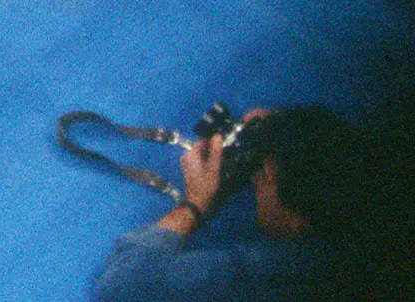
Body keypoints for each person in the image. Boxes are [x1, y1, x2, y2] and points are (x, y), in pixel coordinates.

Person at [87, 104, 379, 301]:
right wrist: (280, 129)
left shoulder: (281, 271)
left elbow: (122, 284)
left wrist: (195, 204)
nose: (253, 179)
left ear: (296, 222)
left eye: (262, 179)